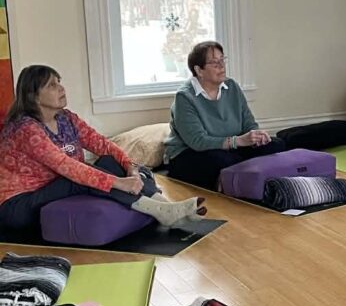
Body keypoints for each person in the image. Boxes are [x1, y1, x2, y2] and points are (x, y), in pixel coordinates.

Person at [0, 66, 205, 231]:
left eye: (59, 82)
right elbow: (67, 167)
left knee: (108, 161)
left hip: (51, 190)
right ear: (34, 96)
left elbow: (102, 144)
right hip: (17, 205)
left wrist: (129, 168)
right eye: (52, 85)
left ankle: (168, 208)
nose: (61, 88)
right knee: (76, 176)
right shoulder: (25, 129)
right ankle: (164, 211)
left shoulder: (66, 118)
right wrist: (119, 183)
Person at [165, 41, 285, 190]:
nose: (221, 66)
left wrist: (256, 136)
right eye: (215, 63)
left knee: (276, 145)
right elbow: (198, 141)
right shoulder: (184, 97)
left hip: (231, 147)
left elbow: (248, 122)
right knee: (221, 161)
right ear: (199, 70)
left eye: (222, 60)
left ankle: (247, 179)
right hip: (191, 153)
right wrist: (237, 142)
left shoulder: (232, 87)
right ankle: (245, 181)